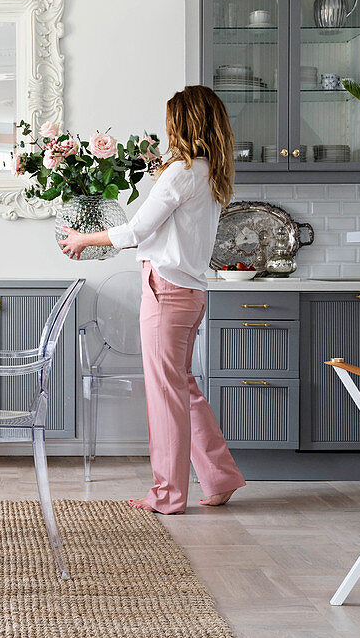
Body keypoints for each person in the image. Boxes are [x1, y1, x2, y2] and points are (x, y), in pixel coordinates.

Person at [58, 86, 245, 515]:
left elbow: (135, 232)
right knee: (184, 389)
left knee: (166, 395)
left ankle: (167, 494)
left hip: (165, 292)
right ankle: (219, 477)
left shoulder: (180, 172)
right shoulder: (207, 172)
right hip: (190, 292)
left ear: (182, 123)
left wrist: (84, 239)